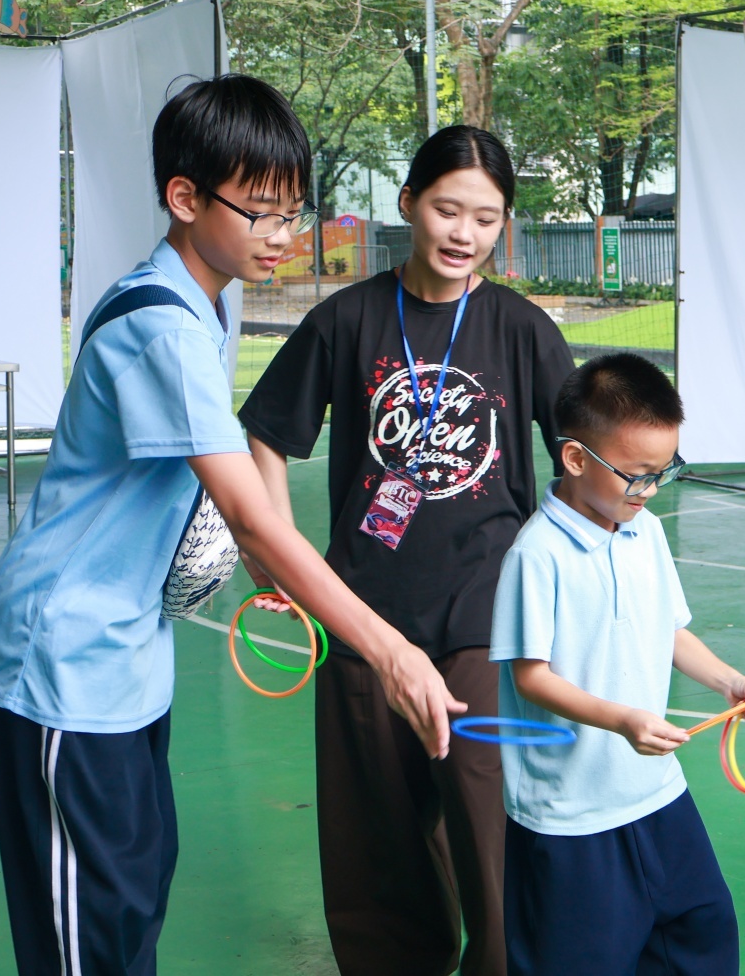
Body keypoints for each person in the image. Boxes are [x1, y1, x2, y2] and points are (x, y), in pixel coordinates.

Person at [0, 75, 464, 976]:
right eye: (261, 213)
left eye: (291, 213)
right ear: (185, 198)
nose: (283, 236)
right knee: (89, 937)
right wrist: (390, 650)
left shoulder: (211, 294)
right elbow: (248, 512)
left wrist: (280, 582)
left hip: (127, 656)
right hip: (63, 662)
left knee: (134, 889)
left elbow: (226, 497)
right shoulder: (161, 326)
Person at [238, 125, 573, 975]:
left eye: (487, 219)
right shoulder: (346, 317)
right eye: (447, 209)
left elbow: (585, 455)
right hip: (361, 610)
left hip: (487, 613)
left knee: (491, 830)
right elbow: (268, 432)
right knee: (375, 844)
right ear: (408, 206)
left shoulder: (521, 327)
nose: (464, 234)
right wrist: (276, 546)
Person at [490, 353, 745, 976]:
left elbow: (669, 630)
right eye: (636, 475)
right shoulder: (536, 557)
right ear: (576, 458)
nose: (649, 490)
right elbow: (530, 676)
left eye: (663, 472)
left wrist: (730, 681)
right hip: (570, 814)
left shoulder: (646, 532)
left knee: (702, 935)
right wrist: (622, 721)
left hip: (656, 794)